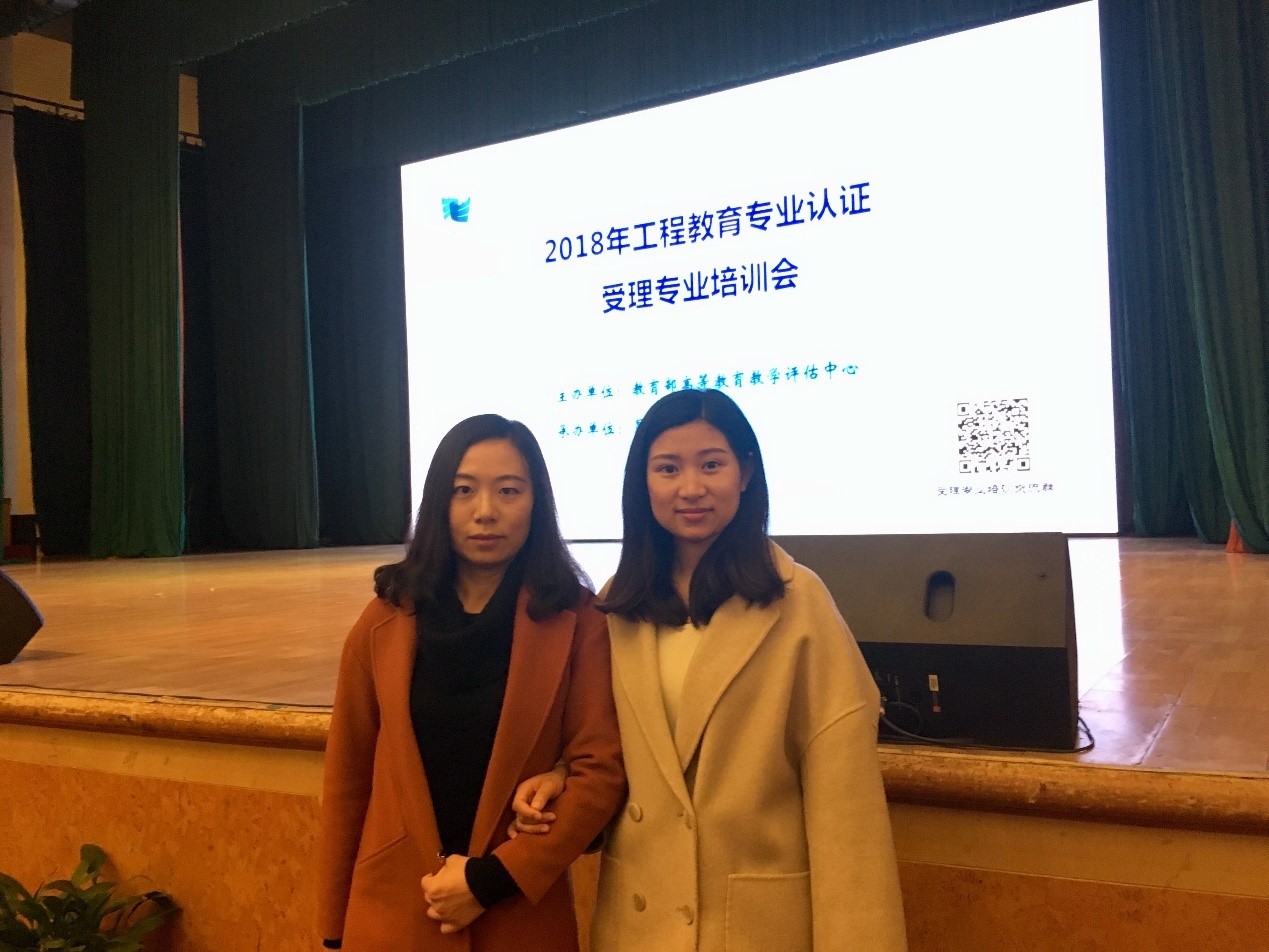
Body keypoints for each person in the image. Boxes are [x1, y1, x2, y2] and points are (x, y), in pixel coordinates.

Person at [511, 389, 907, 951]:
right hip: (638, 926)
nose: (691, 487)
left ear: (746, 474)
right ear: (643, 483)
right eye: (668, 468)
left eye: (712, 464)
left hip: (754, 928)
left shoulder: (799, 603)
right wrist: (560, 776)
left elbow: (848, 815)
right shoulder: (617, 604)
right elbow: (605, 745)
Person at [317, 414, 626, 951]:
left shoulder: (578, 620)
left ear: (537, 502)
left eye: (509, 490)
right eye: (464, 491)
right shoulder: (384, 622)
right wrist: (331, 929)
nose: (486, 511)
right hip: (393, 915)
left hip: (515, 914)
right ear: (440, 502)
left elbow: (598, 771)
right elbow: (348, 779)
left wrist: (492, 880)